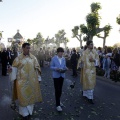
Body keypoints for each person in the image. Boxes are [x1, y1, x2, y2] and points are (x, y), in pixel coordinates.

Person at [8, 43, 42, 120]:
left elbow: (37, 69)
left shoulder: (33, 58)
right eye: (27, 48)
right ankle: (24, 114)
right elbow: (14, 69)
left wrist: (39, 78)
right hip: (21, 83)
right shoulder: (18, 59)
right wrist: (11, 70)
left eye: (29, 48)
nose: (29, 49)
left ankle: (30, 112)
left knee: (31, 97)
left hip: (32, 82)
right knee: (23, 98)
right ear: (23, 48)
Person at [50, 47, 68, 112]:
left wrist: (66, 68)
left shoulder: (63, 59)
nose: (61, 54)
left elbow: (64, 66)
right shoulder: (54, 58)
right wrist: (56, 68)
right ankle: (57, 105)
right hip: (56, 76)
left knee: (60, 90)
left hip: (62, 75)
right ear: (57, 52)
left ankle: (59, 101)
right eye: (60, 52)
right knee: (57, 90)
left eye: (62, 52)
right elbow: (51, 66)